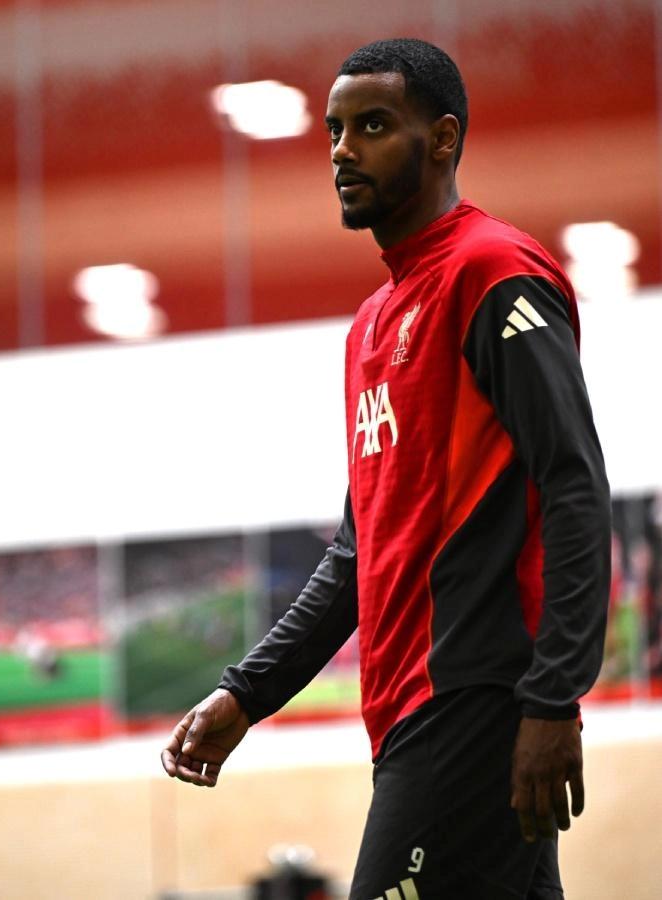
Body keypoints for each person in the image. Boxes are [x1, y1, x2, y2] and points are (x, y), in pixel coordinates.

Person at [162, 38, 610, 900]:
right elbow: (356, 553)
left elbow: (574, 484)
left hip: (474, 702)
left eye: (371, 126)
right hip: (407, 715)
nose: (342, 150)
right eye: (334, 131)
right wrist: (246, 695)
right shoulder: (371, 325)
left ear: (442, 139)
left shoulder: (493, 274)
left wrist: (554, 699)